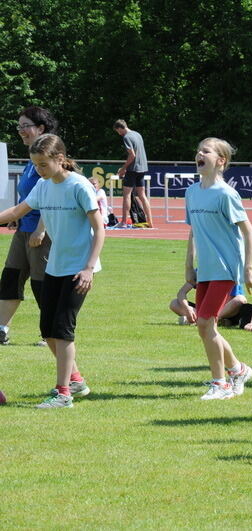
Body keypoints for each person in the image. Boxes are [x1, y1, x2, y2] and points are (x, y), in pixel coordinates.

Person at [0, 134, 105, 408]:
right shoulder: (44, 186)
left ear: (60, 159)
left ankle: (63, 394)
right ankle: (76, 380)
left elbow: (100, 229)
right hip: (56, 265)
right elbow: (16, 212)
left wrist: (89, 268)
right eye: (35, 165)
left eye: (43, 164)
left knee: (62, 329)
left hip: (79, 268)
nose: (39, 170)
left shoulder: (79, 186)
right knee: (47, 329)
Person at [185, 137, 252, 400]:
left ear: (221, 161)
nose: (199, 154)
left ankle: (221, 384)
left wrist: (248, 268)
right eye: (198, 150)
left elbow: (249, 232)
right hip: (205, 270)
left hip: (226, 269)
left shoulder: (227, 194)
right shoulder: (192, 192)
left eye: (206, 151)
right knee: (206, 327)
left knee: (205, 322)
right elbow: (193, 233)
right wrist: (189, 268)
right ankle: (238, 370)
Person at [0, 106, 57, 347]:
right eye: (19, 126)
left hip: (41, 232)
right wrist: (17, 216)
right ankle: (1, 328)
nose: (21, 131)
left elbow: (52, 193)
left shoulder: (48, 158)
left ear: (41, 128)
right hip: (24, 228)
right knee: (11, 277)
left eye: (25, 126)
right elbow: (29, 197)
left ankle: (51, 333)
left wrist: (41, 228)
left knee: (41, 283)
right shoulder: (30, 160)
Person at [113, 119, 154, 228]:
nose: (119, 134)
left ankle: (123, 222)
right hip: (143, 167)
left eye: (118, 131)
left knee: (126, 195)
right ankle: (150, 221)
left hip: (133, 169)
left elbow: (132, 155)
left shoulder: (127, 137)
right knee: (142, 195)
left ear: (120, 128)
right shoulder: (137, 134)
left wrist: (123, 168)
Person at [169, 279, 247, 327]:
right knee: (174, 303)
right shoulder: (200, 271)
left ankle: (208, 320)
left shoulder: (227, 272)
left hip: (226, 311)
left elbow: (233, 299)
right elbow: (181, 293)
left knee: (240, 299)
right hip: (205, 309)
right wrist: (187, 309)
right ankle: (211, 321)